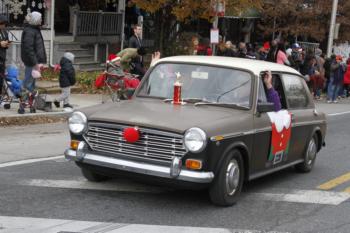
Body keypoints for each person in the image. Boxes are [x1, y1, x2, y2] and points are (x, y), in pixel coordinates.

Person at [21, 11, 47, 93]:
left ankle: (29, 102)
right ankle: (23, 102)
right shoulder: (30, 31)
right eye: (40, 18)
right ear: (36, 19)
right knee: (28, 84)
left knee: (31, 83)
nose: (41, 20)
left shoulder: (35, 29)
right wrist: (35, 63)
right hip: (31, 62)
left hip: (34, 61)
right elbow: (29, 49)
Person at [0, 15, 9, 96]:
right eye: (2, 24)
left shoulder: (4, 31)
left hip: (2, 57)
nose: (3, 26)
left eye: (4, 24)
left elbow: (6, 41)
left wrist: (6, 44)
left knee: (1, 78)